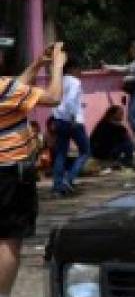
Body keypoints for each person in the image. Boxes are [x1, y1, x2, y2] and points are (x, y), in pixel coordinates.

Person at [1, 42, 66, 297]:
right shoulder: (5, 88)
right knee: (9, 238)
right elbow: (53, 98)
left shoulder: (7, 88)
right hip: (10, 171)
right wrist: (58, 67)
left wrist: (39, 63)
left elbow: (16, 86)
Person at [51, 58, 89, 195]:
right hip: (72, 121)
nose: (80, 72)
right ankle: (69, 179)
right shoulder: (75, 82)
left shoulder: (58, 81)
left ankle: (57, 185)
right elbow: (70, 101)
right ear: (71, 69)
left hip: (59, 119)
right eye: (78, 69)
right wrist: (73, 116)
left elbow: (54, 100)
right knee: (85, 151)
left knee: (61, 153)